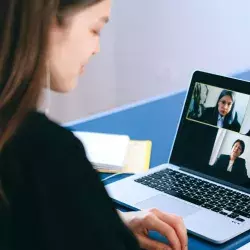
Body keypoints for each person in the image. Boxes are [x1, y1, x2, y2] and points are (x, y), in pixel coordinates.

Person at [0, 0, 188, 250]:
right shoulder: (49, 154)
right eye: (95, 30)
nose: (97, 48)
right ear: (47, 21)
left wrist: (107, 221)